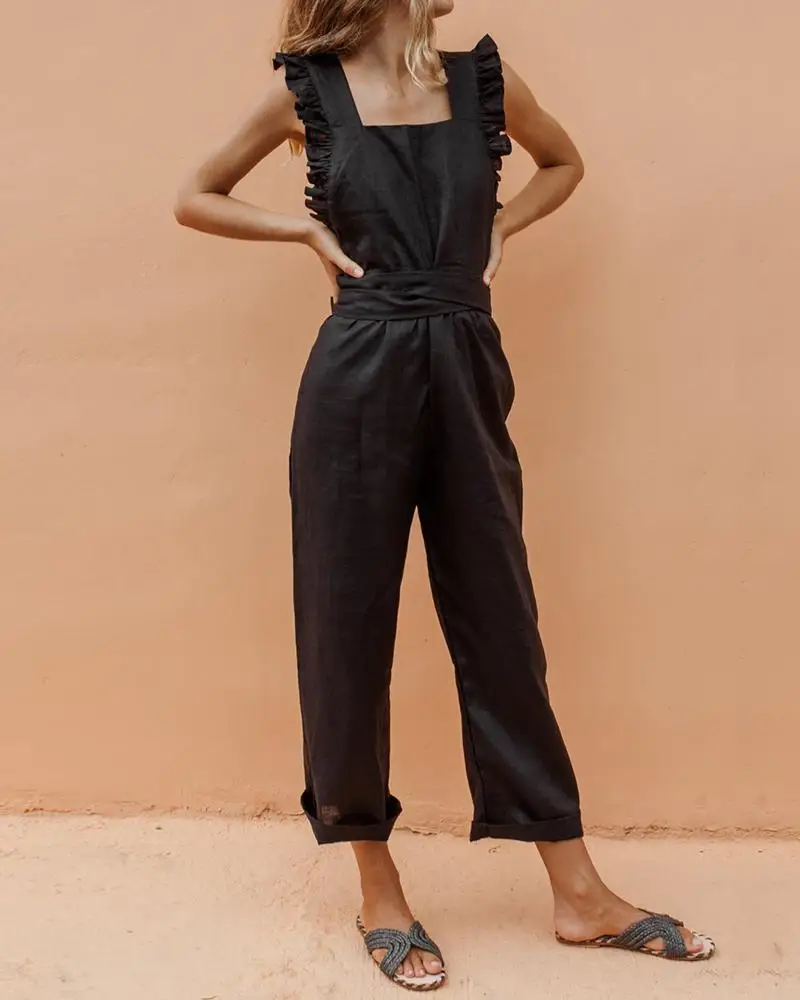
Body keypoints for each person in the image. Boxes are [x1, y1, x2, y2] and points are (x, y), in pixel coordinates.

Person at [175, 0, 715, 989]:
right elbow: (194, 196)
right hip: (355, 373)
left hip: (466, 362)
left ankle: (578, 891)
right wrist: (301, 230)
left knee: (501, 621)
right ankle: (377, 889)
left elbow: (563, 164)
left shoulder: (483, 84)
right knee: (345, 627)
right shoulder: (306, 93)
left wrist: (500, 224)